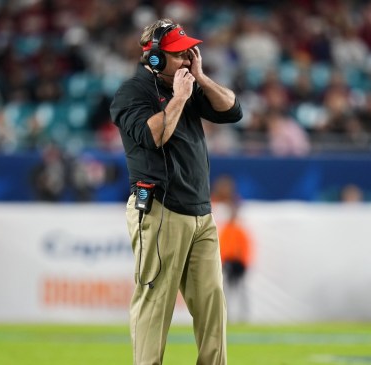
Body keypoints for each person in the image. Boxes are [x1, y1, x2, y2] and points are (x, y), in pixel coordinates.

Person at [110, 18, 242, 365]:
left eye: (188, 53)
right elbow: (154, 136)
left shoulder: (188, 84)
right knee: (155, 303)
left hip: (201, 212)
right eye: (178, 55)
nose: (186, 59)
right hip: (160, 210)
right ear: (154, 58)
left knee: (212, 303)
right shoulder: (132, 93)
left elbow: (233, 109)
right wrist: (180, 98)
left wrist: (199, 78)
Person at [218, 202, 253, 324]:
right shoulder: (227, 230)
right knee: (228, 290)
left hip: (237, 264)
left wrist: (243, 263)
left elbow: (246, 249)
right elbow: (221, 248)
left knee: (240, 290)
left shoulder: (239, 231)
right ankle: (227, 315)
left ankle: (243, 315)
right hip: (229, 263)